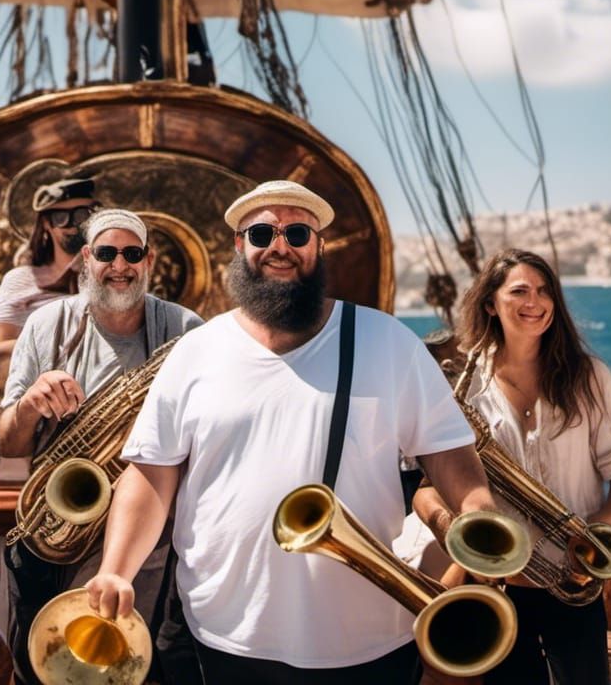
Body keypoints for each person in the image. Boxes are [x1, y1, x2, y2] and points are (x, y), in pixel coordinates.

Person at [84, 181, 501, 684]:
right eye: (262, 232)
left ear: (318, 245)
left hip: (365, 638)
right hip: (223, 632)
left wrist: (478, 513)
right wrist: (115, 569)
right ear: (240, 246)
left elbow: (447, 453)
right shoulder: (196, 351)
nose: (279, 246)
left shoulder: (387, 341)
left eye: (297, 232)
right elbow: (152, 474)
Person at [412, 248, 611, 685]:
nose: (533, 301)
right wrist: (458, 536)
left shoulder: (590, 376)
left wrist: (595, 536)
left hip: (576, 585)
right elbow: (426, 487)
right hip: (498, 590)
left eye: (544, 291)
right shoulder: (464, 385)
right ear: (489, 304)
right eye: (519, 291)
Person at [0, 208, 202, 684]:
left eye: (133, 254)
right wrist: (30, 404)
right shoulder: (46, 325)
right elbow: (7, 442)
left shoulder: (186, 330)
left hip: (149, 549)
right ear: (86, 258)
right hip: (53, 542)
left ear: (148, 260)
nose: (120, 265)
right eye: (107, 253)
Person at [0, 175, 100, 385]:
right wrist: (67, 348)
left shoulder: (111, 274)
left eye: (81, 215)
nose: (72, 225)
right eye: (60, 217)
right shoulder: (19, 280)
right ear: (47, 224)